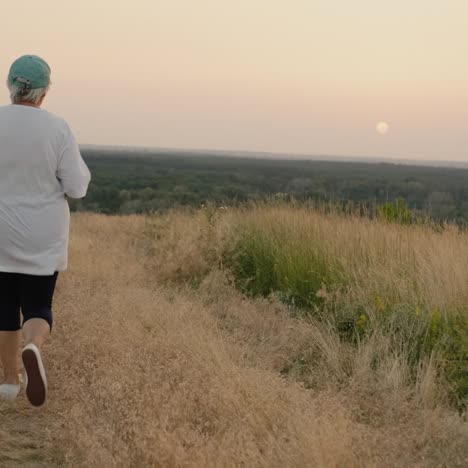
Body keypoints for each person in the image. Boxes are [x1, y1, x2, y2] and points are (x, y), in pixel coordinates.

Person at [0, 55, 91, 406]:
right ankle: (33, 346)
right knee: (38, 304)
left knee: (4, 305)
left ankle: (9, 382)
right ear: (43, 92)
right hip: (42, 233)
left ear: (10, 86)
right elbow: (77, 186)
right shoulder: (57, 128)